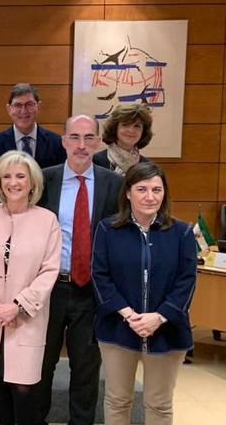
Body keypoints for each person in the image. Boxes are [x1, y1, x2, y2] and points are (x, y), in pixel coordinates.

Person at [91, 161, 196, 425]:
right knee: (117, 400)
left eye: (157, 190)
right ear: (127, 192)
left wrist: (158, 317)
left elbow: (187, 282)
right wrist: (129, 315)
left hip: (167, 330)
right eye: (142, 189)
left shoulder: (182, 232)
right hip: (118, 326)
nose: (150, 197)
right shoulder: (108, 229)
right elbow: (100, 276)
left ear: (165, 193)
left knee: (159, 405)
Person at [34, 115, 123, 425]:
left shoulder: (116, 184)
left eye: (88, 138)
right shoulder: (43, 180)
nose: (82, 145)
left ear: (98, 141)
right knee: (41, 366)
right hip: (50, 289)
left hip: (92, 292)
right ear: (64, 141)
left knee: (85, 369)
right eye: (75, 137)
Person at [0, 150, 61, 425]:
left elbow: (49, 270)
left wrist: (16, 306)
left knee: (24, 385)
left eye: (20, 176)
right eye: (6, 176)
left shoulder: (47, 220)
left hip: (26, 316)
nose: (13, 182)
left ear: (32, 183)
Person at [0, 83, 66, 204]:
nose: (23, 111)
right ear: (9, 109)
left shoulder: (56, 143)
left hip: (45, 211)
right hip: (6, 212)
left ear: (38, 106)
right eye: (17, 105)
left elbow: (59, 183)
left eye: (29, 104)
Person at [93, 103, 153, 175]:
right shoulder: (96, 161)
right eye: (125, 124)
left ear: (143, 131)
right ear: (115, 128)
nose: (131, 130)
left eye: (137, 126)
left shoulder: (148, 166)